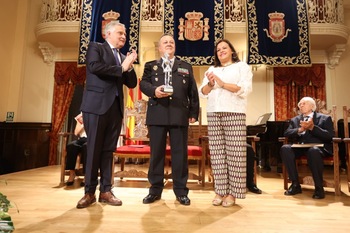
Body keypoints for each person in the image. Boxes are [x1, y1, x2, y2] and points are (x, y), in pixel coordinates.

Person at [77, 21, 138, 208]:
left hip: (115, 109)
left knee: (107, 152)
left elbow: (133, 83)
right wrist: (121, 68)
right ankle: (89, 192)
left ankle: (105, 190)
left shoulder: (121, 57)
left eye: (125, 34)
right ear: (108, 34)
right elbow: (95, 67)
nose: (123, 36)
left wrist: (129, 65)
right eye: (120, 32)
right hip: (95, 106)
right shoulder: (96, 47)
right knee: (94, 148)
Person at [140, 34, 199, 206]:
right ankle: (155, 190)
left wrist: (193, 113)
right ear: (159, 48)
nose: (168, 44)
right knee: (156, 154)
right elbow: (143, 83)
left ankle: (181, 191)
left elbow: (192, 91)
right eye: (165, 42)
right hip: (157, 114)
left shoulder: (185, 66)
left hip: (179, 115)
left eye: (171, 42)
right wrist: (154, 91)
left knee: (180, 155)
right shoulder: (151, 66)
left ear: (175, 47)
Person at [199, 39, 253, 207]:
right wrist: (211, 83)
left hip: (234, 112)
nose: (221, 51)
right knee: (217, 155)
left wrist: (222, 84)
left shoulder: (241, 66)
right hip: (214, 113)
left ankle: (232, 194)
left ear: (231, 50)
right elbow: (203, 92)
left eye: (224, 48)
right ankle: (220, 191)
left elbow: (244, 89)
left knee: (235, 155)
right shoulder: (211, 69)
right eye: (218, 49)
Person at [280, 97, 334, 199]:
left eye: (304, 103)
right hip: (301, 146)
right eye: (300, 104)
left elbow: (329, 136)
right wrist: (300, 129)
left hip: (319, 148)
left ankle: (319, 187)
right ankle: (295, 184)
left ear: (312, 106)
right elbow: (286, 133)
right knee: (285, 148)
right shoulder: (295, 120)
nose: (301, 105)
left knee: (313, 151)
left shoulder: (325, 118)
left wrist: (313, 128)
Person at [65, 113, 87, 186]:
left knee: (86, 147)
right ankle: (72, 173)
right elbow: (76, 132)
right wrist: (84, 123)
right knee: (71, 145)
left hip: (91, 139)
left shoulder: (96, 115)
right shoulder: (81, 117)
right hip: (81, 139)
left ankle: (87, 175)